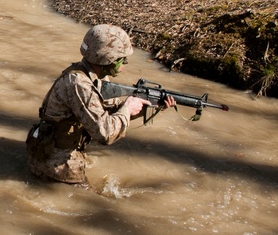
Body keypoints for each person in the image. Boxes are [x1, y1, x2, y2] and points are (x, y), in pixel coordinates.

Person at [26, 24, 175, 187]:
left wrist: (147, 105)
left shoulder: (95, 76)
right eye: (121, 58)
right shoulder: (79, 84)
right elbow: (105, 133)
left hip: (55, 152)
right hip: (57, 163)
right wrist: (127, 109)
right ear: (106, 58)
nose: (124, 62)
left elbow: (108, 110)